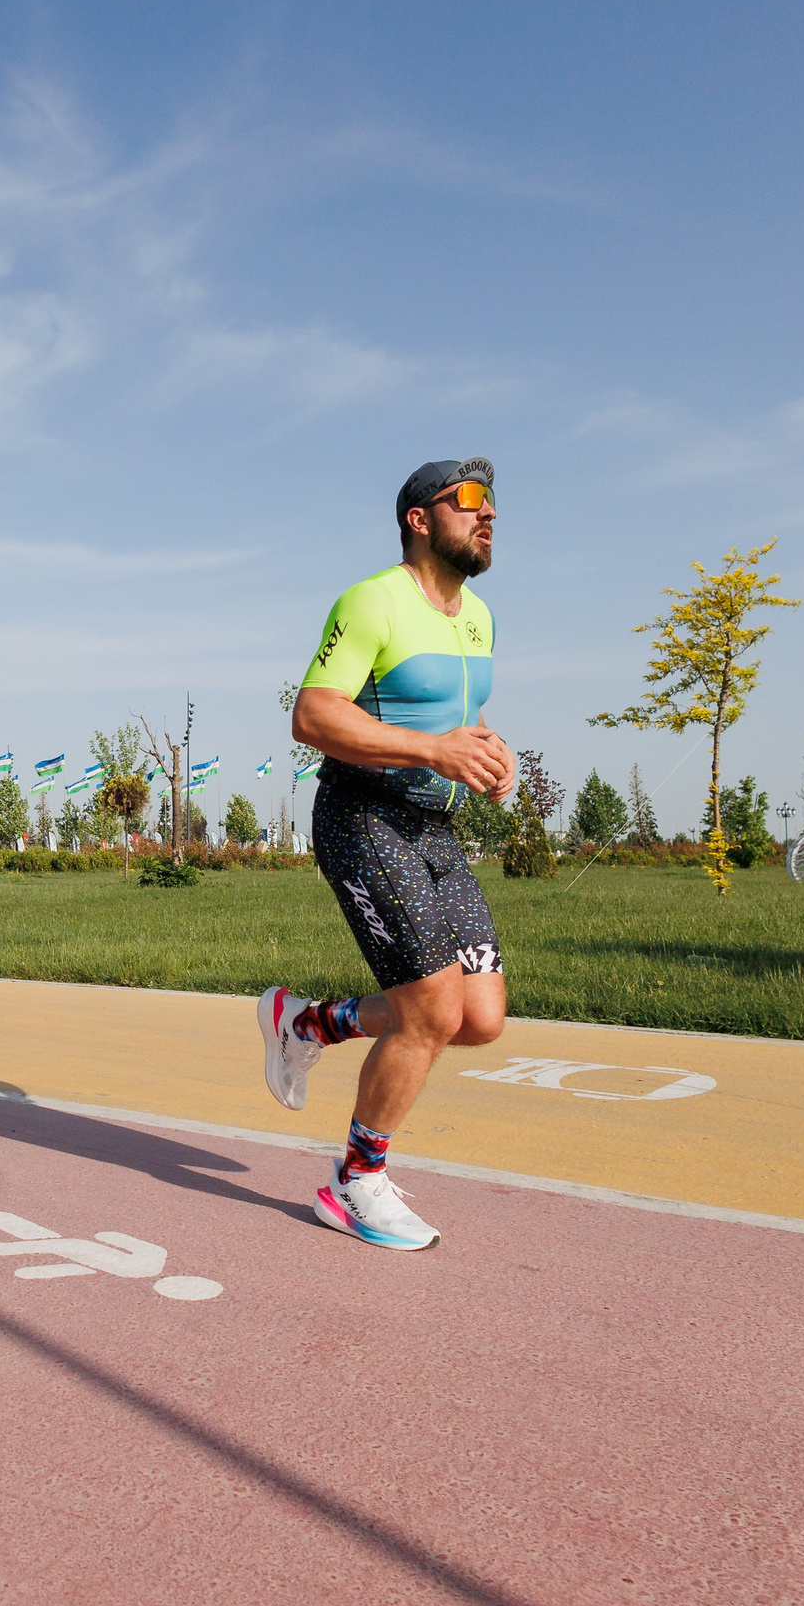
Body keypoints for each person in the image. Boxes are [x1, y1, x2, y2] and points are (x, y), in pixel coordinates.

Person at [259, 458, 515, 1250]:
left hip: (432, 829)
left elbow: (453, 723)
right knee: (430, 1010)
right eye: (467, 501)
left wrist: (488, 756)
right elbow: (312, 716)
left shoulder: (480, 616)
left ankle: (309, 1024)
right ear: (418, 518)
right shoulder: (372, 601)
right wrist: (431, 752)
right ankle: (355, 1182)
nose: (488, 514)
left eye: (492, 503)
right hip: (363, 816)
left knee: (479, 1017)